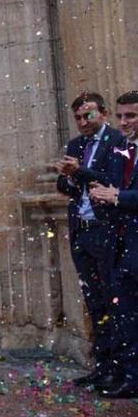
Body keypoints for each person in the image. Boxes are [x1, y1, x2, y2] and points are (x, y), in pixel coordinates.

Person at [55, 92, 124, 389]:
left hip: (105, 230)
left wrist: (79, 172)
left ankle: (120, 370)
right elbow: (64, 185)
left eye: (89, 115)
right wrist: (69, 177)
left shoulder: (118, 142)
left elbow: (114, 182)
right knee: (93, 302)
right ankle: (102, 365)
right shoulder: (75, 145)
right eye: (79, 118)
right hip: (80, 229)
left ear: (104, 113)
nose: (83, 122)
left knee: (114, 301)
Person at [88, 90, 138, 398]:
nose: (123, 122)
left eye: (130, 115)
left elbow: (123, 194)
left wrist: (117, 196)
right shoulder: (123, 150)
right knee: (126, 316)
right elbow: (113, 189)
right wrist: (101, 194)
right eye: (120, 116)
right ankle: (131, 376)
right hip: (122, 247)